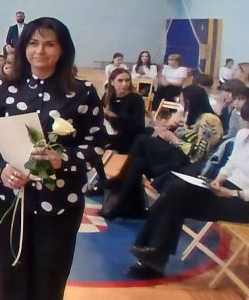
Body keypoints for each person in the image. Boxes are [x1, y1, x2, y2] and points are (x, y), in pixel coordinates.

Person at [0, 17, 106, 300]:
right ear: (23, 47)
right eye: (34, 43)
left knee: (49, 280)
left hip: (59, 202)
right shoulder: (3, 87)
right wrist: (0, 169)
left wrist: (64, 159)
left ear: (63, 49)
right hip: (10, 199)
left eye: (50, 44)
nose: (40, 51)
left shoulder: (83, 92)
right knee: (9, 277)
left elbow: (96, 144)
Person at [127, 103, 249, 279]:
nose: (246, 126)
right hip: (225, 186)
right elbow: (230, 162)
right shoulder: (243, 134)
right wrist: (219, 178)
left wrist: (232, 194)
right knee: (176, 188)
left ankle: (153, 257)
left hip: (243, 201)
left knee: (177, 201)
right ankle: (151, 254)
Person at [100, 85, 224, 219]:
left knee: (142, 140)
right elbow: (186, 136)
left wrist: (174, 139)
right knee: (138, 163)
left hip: (190, 165)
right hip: (177, 156)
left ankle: (121, 178)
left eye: (182, 101)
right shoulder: (192, 115)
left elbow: (199, 155)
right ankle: (125, 206)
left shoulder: (210, 120)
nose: (181, 104)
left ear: (189, 101)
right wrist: (171, 128)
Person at [102, 68, 146, 155]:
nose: (124, 84)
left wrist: (114, 116)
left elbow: (139, 126)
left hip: (129, 138)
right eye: (120, 80)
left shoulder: (136, 99)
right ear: (112, 82)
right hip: (110, 135)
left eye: (127, 80)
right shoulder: (107, 97)